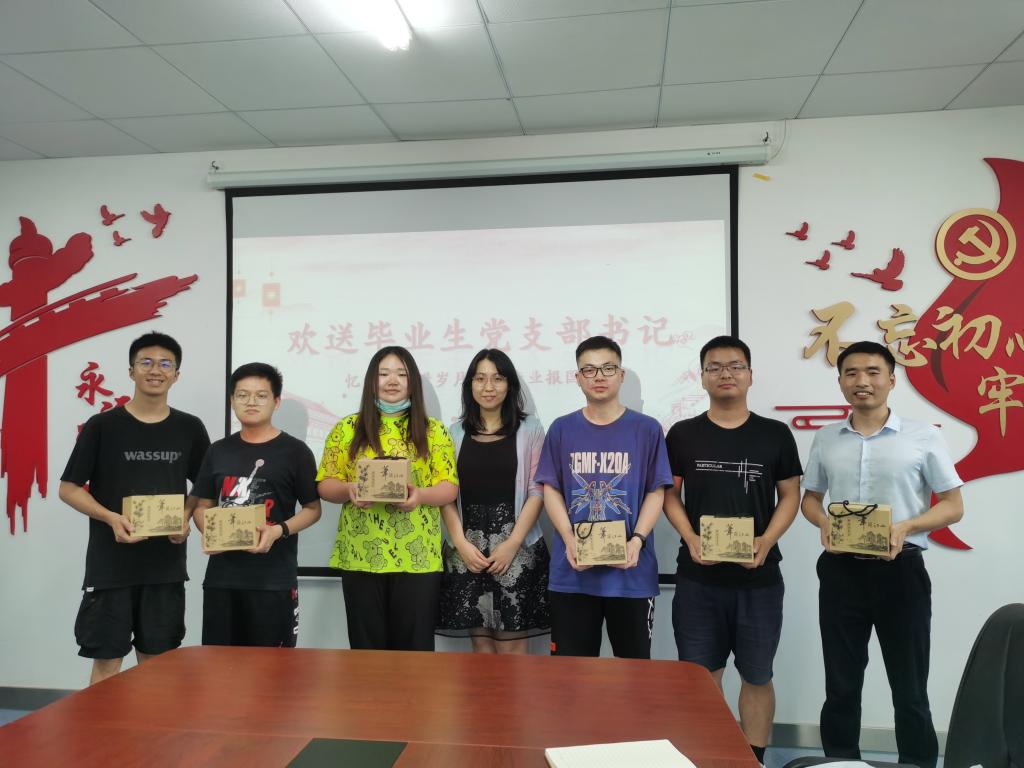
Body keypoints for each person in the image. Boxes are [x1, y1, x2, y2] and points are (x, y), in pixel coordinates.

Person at [801, 341, 964, 768]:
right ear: (840, 382)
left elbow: (953, 505)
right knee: (841, 685)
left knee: (909, 688)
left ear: (891, 380)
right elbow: (810, 499)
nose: (863, 381)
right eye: (852, 373)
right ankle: (841, 763)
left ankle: (917, 763)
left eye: (873, 372)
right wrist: (824, 522)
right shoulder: (826, 437)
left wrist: (906, 526)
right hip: (840, 572)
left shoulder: (923, 436)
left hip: (901, 571)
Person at [663, 336, 802, 765]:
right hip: (698, 580)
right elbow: (669, 495)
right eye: (715, 367)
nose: (726, 374)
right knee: (701, 678)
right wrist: (689, 536)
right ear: (702, 376)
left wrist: (766, 540)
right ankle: (711, 756)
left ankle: (754, 759)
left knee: (757, 676)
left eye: (735, 366)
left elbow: (791, 495)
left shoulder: (775, 434)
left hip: (758, 580)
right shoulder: (683, 434)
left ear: (750, 375)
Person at [59, 331, 210, 685]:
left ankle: (154, 726)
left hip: (165, 568)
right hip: (111, 567)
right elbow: (68, 489)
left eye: (165, 364)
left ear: (176, 374)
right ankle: (102, 725)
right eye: (146, 362)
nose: (155, 370)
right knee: (107, 664)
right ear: (131, 371)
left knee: (157, 666)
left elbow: (204, 488)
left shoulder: (189, 428)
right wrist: (111, 518)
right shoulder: (103, 426)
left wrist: (186, 517)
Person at [534, 335, 671, 658]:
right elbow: (551, 489)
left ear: (621, 375)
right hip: (573, 574)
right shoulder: (562, 429)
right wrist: (569, 539)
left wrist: (637, 540)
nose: (599, 376)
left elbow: (656, 490)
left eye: (608, 368)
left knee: (635, 671)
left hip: (631, 575)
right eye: (590, 369)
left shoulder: (647, 429)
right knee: (571, 674)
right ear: (578, 377)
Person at [316, 346, 458, 651]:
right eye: (383, 373)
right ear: (371, 380)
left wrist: (419, 495)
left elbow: (449, 487)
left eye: (401, 374)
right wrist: (349, 489)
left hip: (417, 557)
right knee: (367, 653)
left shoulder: (433, 430)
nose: (392, 380)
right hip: (361, 554)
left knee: (415, 654)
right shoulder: (347, 428)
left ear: (413, 381)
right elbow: (326, 484)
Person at [191, 363, 321, 647]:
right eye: (243, 395)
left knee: (273, 667)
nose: (251, 402)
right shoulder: (218, 450)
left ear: (276, 402)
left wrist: (278, 531)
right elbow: (202, 505)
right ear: (232, 400)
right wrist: (209, 531)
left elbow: (313, 510)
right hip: (222, 580)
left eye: (261, 395)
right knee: (218, 664)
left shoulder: (296, 451)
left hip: (273, 581)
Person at [436, 349, 550, 653]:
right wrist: (459, 543)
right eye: (480, 379)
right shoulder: (454, 433)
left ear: (509, 384)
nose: (489, 387)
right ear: (470, 385)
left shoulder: (530, 429)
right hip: (468, 551)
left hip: (516, 548)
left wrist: (513, 543)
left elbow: (537, 491)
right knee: (481, 647)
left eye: (498, 378)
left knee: (513, 649)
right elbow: (446, 495)